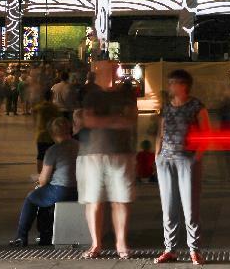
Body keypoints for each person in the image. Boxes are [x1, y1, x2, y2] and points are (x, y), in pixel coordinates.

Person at [154, 69, 210, 265]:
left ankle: (194, 249)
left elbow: (206, 133)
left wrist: (196, 157)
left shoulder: (196, 106)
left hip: (187, 160)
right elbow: (160, 133)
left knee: (190, 207)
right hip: (166, 161)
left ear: (183, 85)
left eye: (172, 83)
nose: (169, 86)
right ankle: (170, 249)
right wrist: (157, 156)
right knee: (168, 207)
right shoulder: (166, 107)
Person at [76, 83, 137, 259]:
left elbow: (130, 120)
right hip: (92, 153)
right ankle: (96, 243)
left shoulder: (126, 93)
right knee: (94, 201)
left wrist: (102, 120)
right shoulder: (91, 95)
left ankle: (121, 243)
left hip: (120, 152)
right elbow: (88, 120)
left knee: (121, 199)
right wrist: (115, 120)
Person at [9, 117, 79, 247]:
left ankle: (21, 236)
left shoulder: (53, 150)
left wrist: (38, 179)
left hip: (61, 190)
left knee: (32, 198)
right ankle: (45, 236)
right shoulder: (79, 146)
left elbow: (44, 179)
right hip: (79, 190)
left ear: (52, 134)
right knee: (43, 196)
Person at [33, 89, 62, 172]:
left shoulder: (39, 107)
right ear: (52, 96)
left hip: (41, 135)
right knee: (52, 155)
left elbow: (33, 112)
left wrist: (36, 122)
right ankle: (49, 173)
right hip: (51, 135)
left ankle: (39, 174)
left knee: (40, 156)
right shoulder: (55, 108)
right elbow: (58, 120)